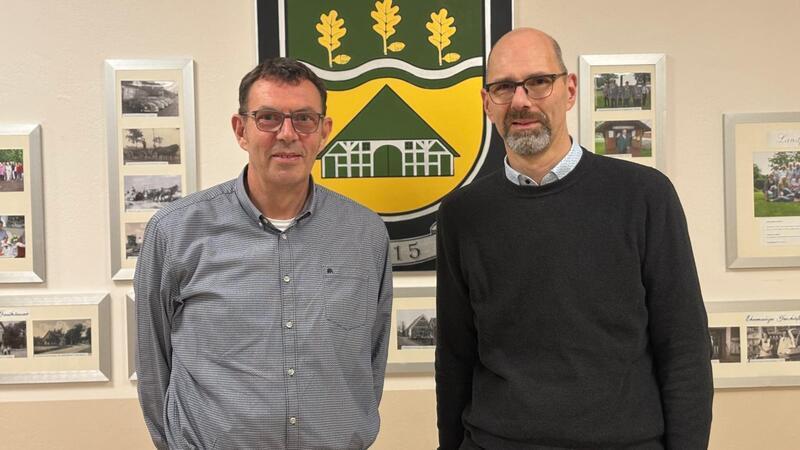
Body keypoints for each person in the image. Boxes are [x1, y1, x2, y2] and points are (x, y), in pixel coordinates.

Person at [435, 28, 713, 449]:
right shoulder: (463, 214)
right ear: (486, 102)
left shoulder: (644, 196)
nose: (521, 100)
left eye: (538, 82)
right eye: (504, 87)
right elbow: (454, 356)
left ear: (569, 89)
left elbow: (684, 347)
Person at [135, 57, 393, 450]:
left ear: (324, 131)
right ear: (241, 129)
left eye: (304, 119)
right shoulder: (174, 231)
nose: (287, 134)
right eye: (269, 118)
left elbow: (370, 359)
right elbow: (154, 363)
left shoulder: (365, 234)